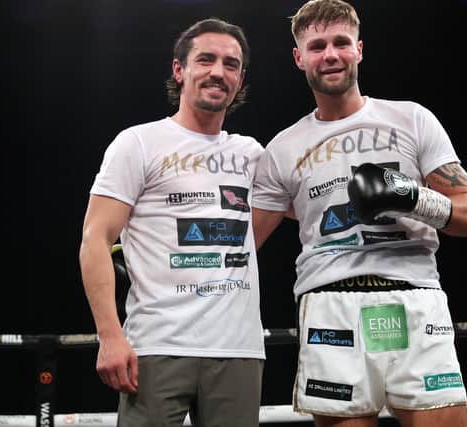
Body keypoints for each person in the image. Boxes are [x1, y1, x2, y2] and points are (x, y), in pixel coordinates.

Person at [251, 1, 467, 426]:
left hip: (415, 297)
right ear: (298, 57)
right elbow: (244, 242)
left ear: (358, 49)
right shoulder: (282, 149)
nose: (330, 55)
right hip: (330, 308)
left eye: (341, 42)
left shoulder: (412, 119)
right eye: (317, 45)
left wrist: (410, 196)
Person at [78, 18, 265, 427]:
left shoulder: (253, 155)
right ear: (180, 70)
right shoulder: (139, 143)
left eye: (231, 64)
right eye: (206, 60)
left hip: (238, 349)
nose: (219, 71)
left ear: (240, 78)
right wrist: (110, 336)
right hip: (157, 345)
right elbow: (95, 239)